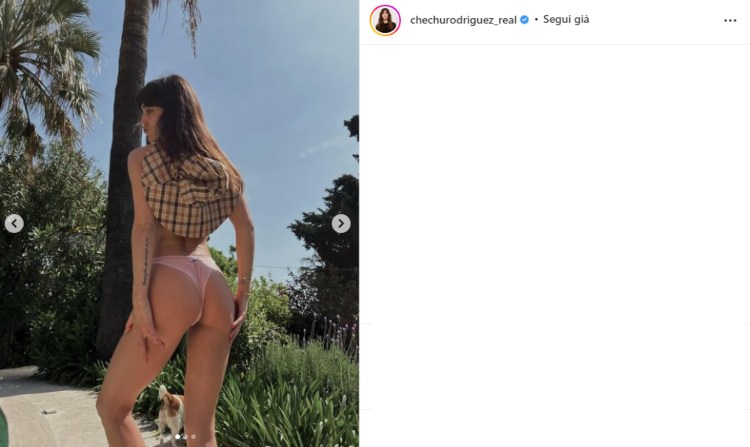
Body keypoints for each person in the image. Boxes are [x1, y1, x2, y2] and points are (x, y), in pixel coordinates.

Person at [95, 74, 255, 447]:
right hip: (213, 284)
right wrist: (242, 297)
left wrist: (139, 298)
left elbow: (144, 228)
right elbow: (246, 229)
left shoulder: (142, 159)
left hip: (170, 281)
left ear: (172, 113)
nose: (143, 120)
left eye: (149, 111)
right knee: (201, 431)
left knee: (111, 408)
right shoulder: (222, 168)